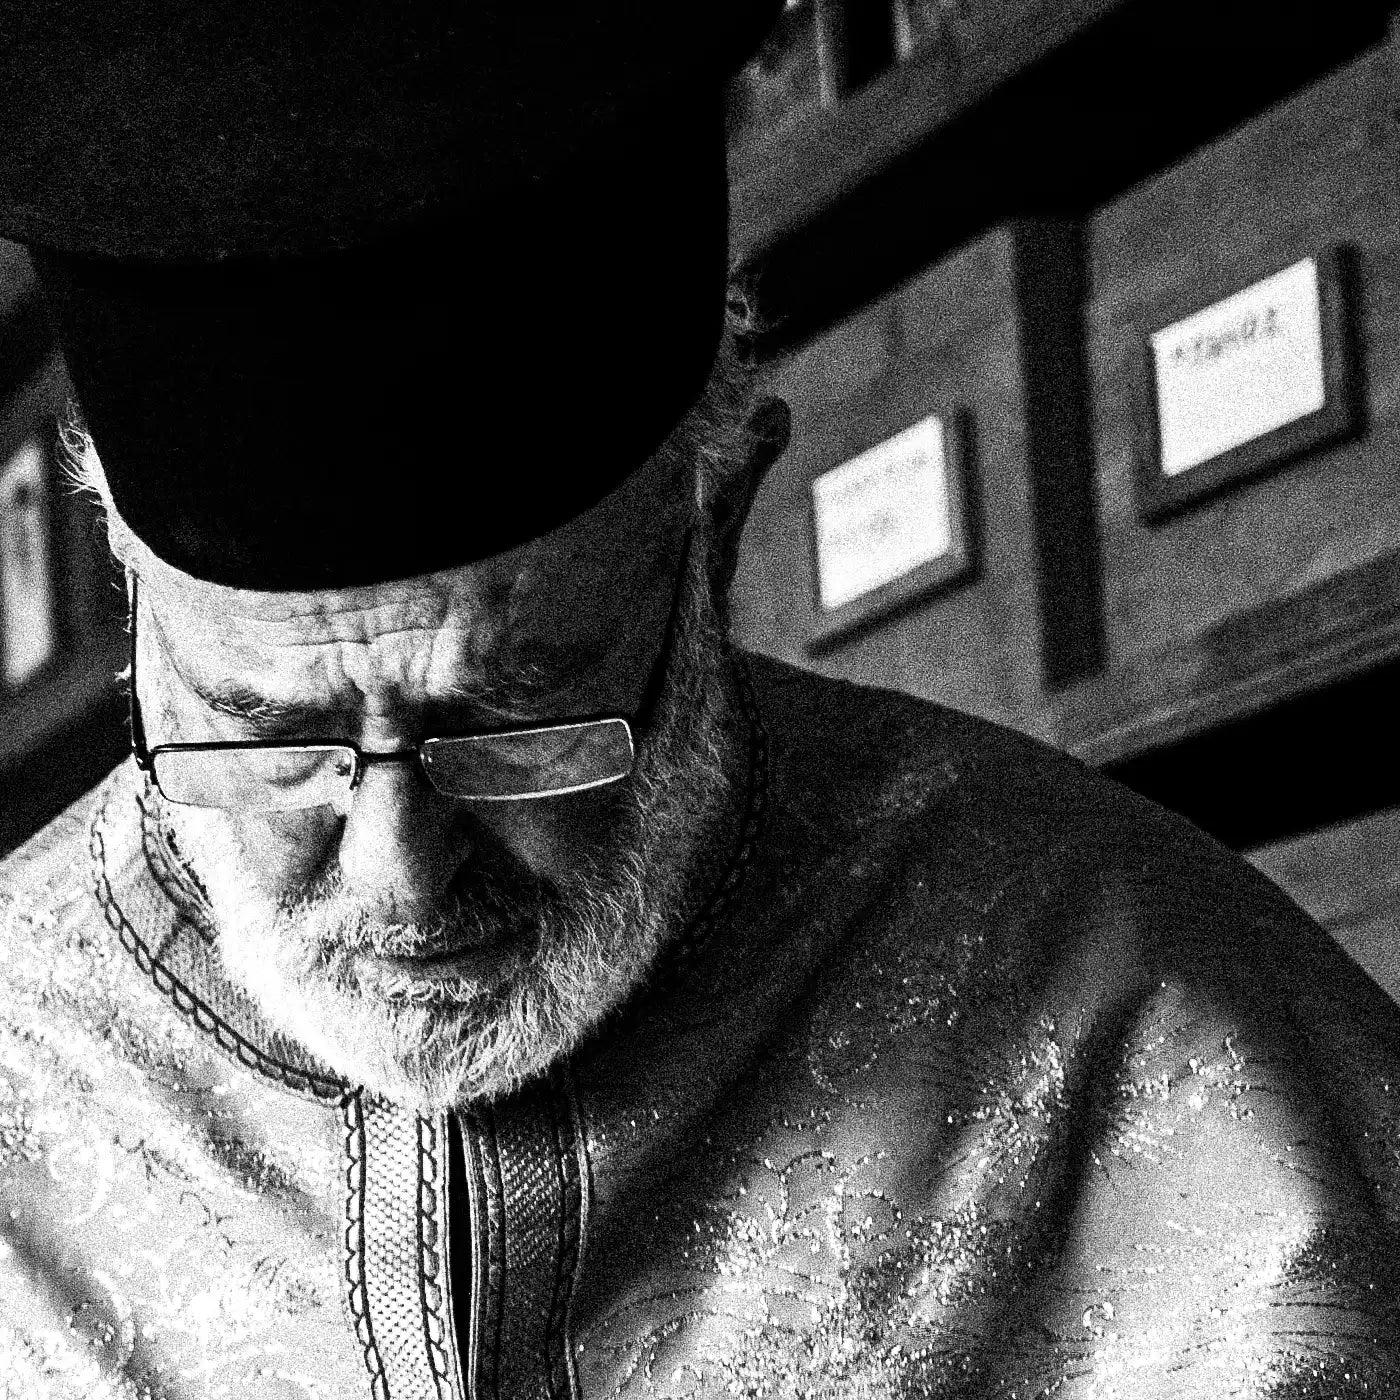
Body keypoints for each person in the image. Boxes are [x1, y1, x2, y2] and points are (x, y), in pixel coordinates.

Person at [2, 6, 1398, 1397]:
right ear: (136, 602)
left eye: (509, 717)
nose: (399, 876)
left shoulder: (1165, 1030)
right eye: (268, 731)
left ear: (717, 530)